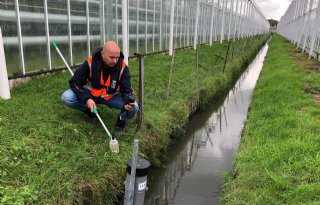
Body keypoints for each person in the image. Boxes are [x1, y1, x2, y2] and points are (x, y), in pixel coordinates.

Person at [61, 40, 138, 129]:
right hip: (91, 94)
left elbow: (126, 89)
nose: (115, 61)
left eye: (117, 57)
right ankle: (90, 111)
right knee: (66, 97)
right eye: (112, 57)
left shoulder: (123, 67)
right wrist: (87, 99)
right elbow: (74, 82)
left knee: (134, 107)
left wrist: (127, 102)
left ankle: (121, 120)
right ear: (102, 54)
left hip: (111, 97)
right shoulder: (90, 62)